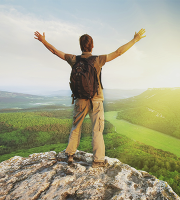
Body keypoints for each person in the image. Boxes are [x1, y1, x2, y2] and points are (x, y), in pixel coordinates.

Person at [34, 28, 146, 167]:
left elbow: (55, 51)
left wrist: (43, 41)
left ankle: (70, 155)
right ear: (92, 46)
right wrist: (135, 40)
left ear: (81, 46)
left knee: (76, 127)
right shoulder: (98, 60)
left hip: (80, 100)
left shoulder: (74, 59)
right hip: (96, 100)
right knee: (97, 130)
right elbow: (119, 52)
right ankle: (98, 160)